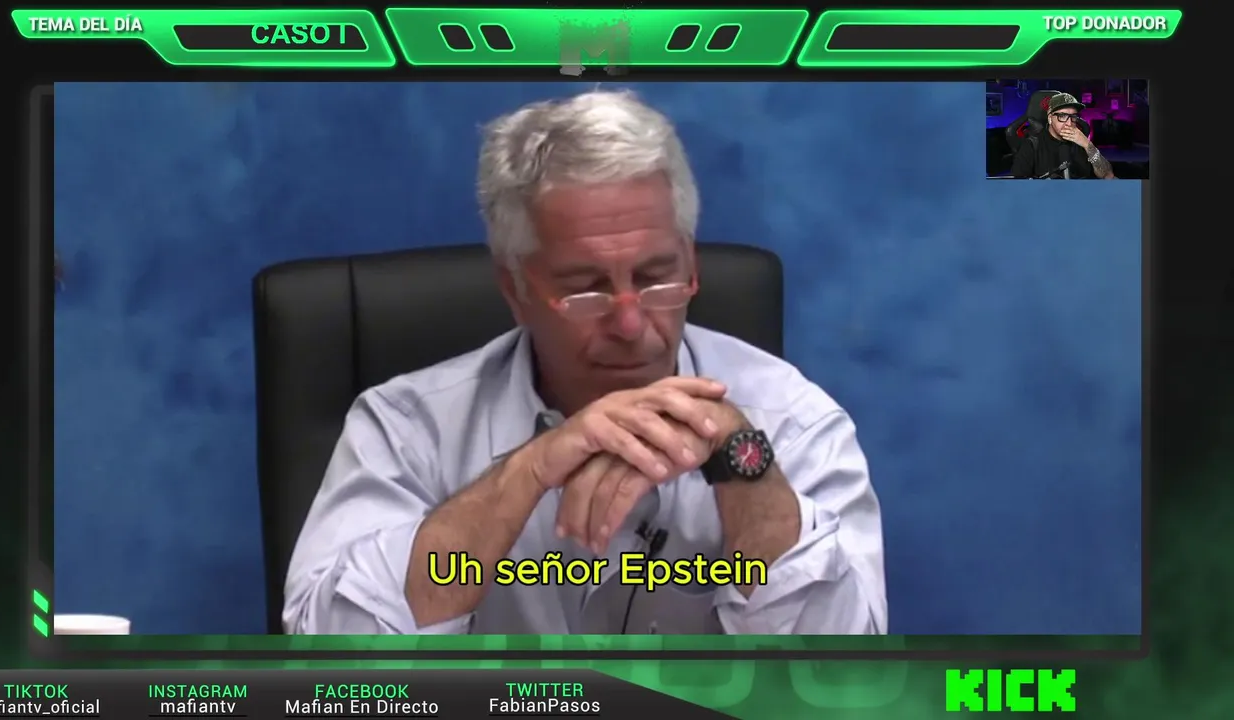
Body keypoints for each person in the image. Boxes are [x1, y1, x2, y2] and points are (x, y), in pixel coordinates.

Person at [283, 90, 887, 635]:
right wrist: (527, 471)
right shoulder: (408, 427)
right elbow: (332, 659)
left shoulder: (791, 419)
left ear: (691, 265)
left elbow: (841, 673)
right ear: (515, 289)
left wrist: (738, 458)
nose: (630, 324)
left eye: (656, 277)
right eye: (585, 289)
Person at [1010, 92, 1115, 179]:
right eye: (1062, 116)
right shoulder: (1032, 145)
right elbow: (1019, 188)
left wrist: (1088, 145)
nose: (1069, 123)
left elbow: (1108, 176)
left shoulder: (1082, 142)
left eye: (1073, 116)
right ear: (1050, 118)